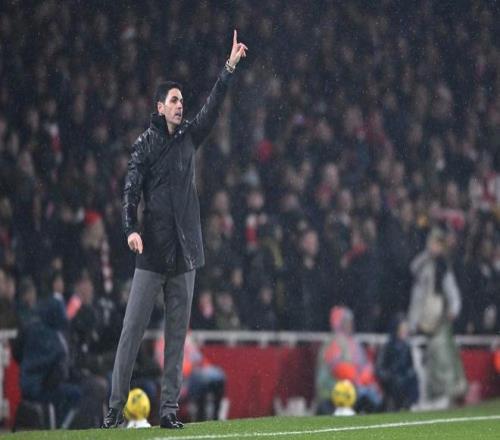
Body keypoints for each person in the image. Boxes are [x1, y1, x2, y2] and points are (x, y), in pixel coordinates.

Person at [102, 31, 248, 429]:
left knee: (176, 338)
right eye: (174, 100)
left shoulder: (189, 138)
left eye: (182, 100)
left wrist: (229, 68)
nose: (181, 105)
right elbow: (130, 189)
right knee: (131, 333)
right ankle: (114, 410)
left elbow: (213, 107)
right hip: (152, 252)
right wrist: (130, 229)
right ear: (159, 107)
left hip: (185, 254)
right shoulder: (145, 145)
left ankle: (168, 410)